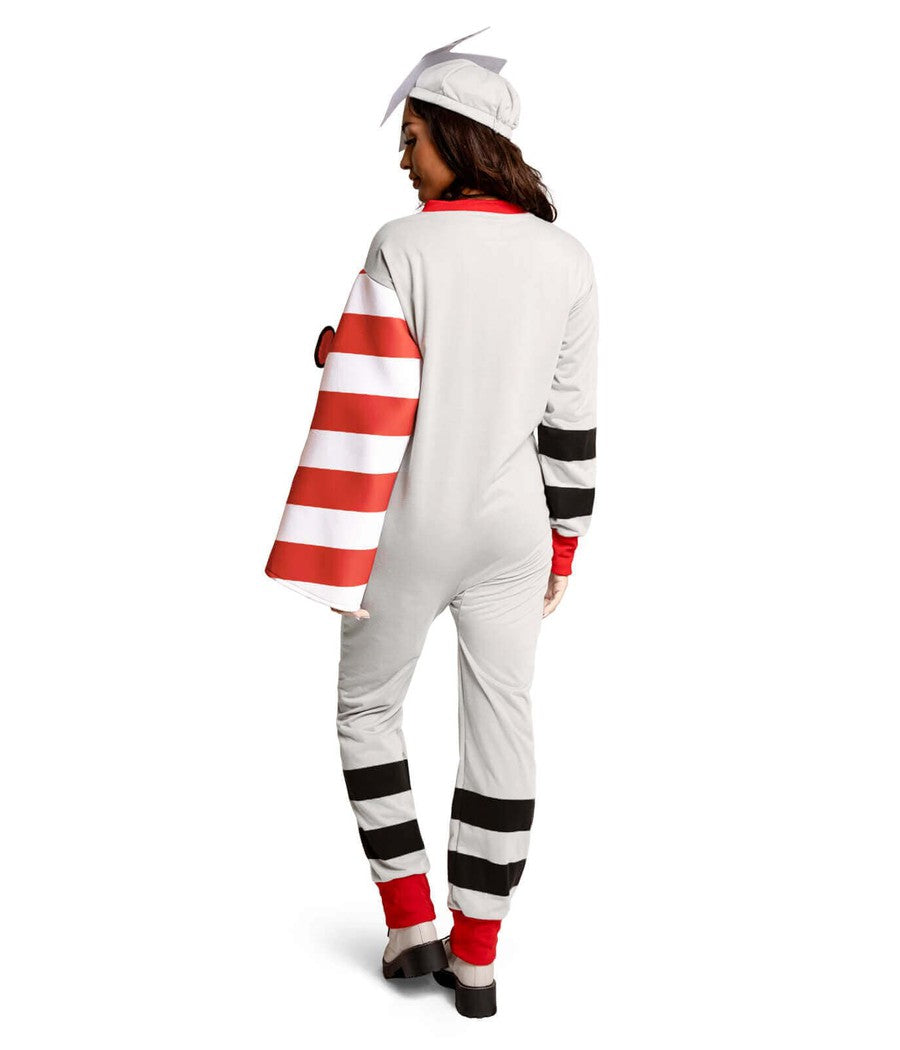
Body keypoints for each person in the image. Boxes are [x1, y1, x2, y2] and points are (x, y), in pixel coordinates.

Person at [265, 30, 598, 1018]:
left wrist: (332, 350)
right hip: (514, 527)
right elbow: (570, 419)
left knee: (368, 711)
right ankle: (480, 957)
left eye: (411, 137)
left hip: (407, 524)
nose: (403, 158)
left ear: (456, 135)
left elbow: (367, 400)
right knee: (503, 725)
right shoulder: (567, 258)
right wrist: (565, 545)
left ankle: (411, 923)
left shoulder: (400, 247)